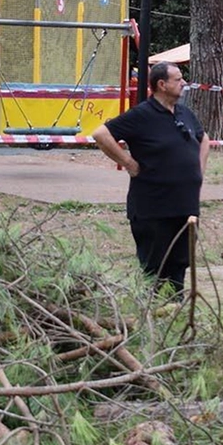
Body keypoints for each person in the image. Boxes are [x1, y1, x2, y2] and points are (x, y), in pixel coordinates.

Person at [91, 62, 210, 294]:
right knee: (154, 267)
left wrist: (198, 169)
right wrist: (127, 163)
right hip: (153, 207)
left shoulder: (184, 112)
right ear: (161, 85)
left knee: (180, 264)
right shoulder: (141, 114)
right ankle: (151, 313)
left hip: (185, 205)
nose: (183, 83)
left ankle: (176, 308)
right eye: (178, 79)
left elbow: (203, 138)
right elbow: (100, 134)